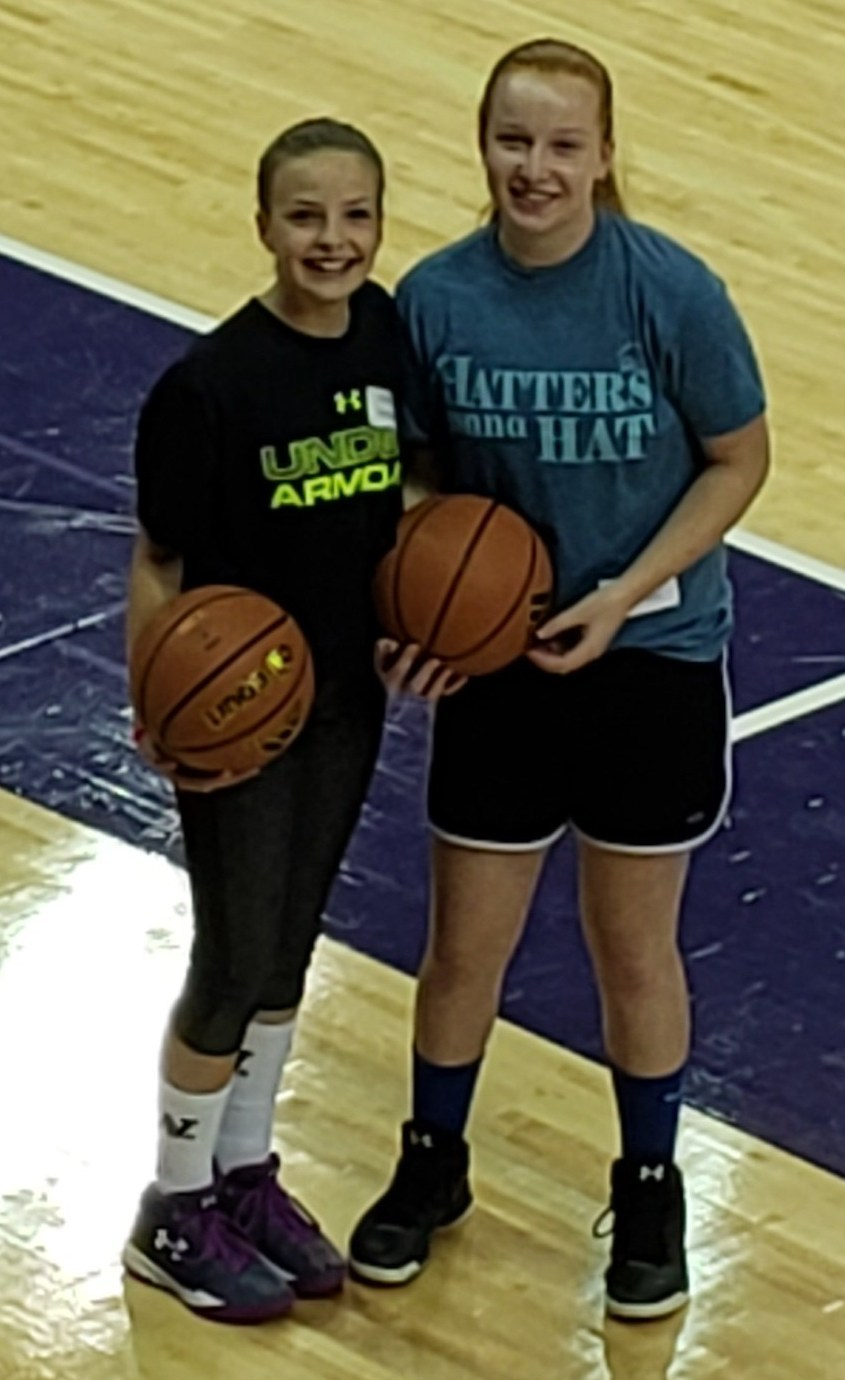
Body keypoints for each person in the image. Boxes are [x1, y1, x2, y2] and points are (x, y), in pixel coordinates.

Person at [349, 37, 770, 1320]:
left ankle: (648, 1186)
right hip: (504, 674)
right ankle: (432, 1162)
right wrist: (417, 602)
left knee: (629, 948)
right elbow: (421, 477)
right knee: (461, 946)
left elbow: (738, 460)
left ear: (602, 155)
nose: (533, 168)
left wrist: (622, 592)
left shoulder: (668, 291)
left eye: (560, 145)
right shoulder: (433, 299)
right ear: (481, 146)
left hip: (649, 659)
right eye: (512, 141)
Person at [122, 117, 457, 1325]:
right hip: (237, 712)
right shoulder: (210, 385)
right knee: (229, 960)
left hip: (345, 698)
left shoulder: (382, 336)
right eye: (306, 216)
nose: (332, 239)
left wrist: (425, 598)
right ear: (263, 223)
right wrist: (158, 704)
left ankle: (241, 1172)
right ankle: (171, 1210)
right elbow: (158, 559)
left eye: (355, 215)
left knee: (286, 949)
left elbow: (414, 481)